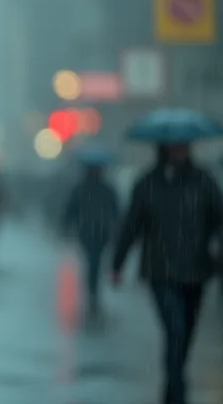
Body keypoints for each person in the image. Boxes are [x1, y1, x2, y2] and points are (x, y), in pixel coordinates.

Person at [111, 143, 222, 404]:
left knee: (185, 335)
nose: (179, 152)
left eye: (183, 147)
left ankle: (172, 385)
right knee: (175, 329)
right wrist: (117, 264)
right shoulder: (148, 183)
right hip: (161, 271)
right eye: (174, 148)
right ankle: (178, 391)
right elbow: (131, 226)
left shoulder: (204, 182)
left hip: (196, 272)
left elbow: (219, 219)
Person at [62, 163, 119, 320]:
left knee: (93, 262)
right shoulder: (105, 189)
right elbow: (116, 212)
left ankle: (92, 293)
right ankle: (93, 294)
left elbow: (70, 210)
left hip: (89, 232)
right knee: (95, 262)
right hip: (97, 232)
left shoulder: (82, 188)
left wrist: (66, 227)